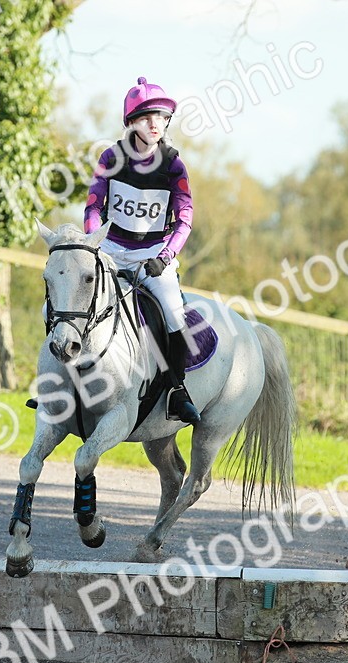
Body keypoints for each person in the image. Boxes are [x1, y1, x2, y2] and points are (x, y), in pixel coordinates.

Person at [84, 77, 200, 425]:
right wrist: (95, 244)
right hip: (110, 249)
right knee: (70, 298)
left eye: (162, 117)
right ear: (132, 121)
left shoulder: (174, 166)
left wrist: (164, 258)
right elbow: (93, 207)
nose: (155, 123)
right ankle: (60, 383)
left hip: (152, 256)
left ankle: (177, 389)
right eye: (147, 117)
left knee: (174, 311)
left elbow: (185, 218)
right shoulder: (110, 157)